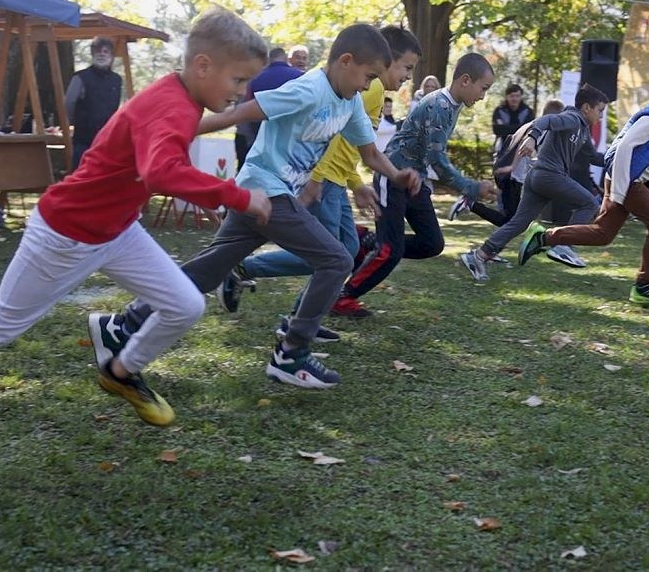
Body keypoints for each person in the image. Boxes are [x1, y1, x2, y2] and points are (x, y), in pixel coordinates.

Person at [0, 8, 273, 468]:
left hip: (116, 230)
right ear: (203, 66)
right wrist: (239, 197)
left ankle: (121, 371)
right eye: (238, 80)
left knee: (186, 305)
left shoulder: (177, 97)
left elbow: (171, 138)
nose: (241, 91)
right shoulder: (171, 104)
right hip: (65, 234)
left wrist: (246, 113)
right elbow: (162, 171)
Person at [91, 24, 422, 390]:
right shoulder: (307, 90)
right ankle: (291, 352)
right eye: (367, 76)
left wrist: (396, 175)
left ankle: (123, 324)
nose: (367, 85)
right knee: (337, 258)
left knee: (210, 269)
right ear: (346, 62)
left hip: (262, 196)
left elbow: (370, 152)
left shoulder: (350, 102)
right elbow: (243, 112)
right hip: (266, 189)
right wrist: (176, 131)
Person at [216, 26, 422, 337]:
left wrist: (380, 177)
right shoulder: (328, 88)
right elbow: (249, 112)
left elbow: (361, 147)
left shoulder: (354, 93)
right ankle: (295, 335)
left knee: (341, 252)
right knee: (334, 256)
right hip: (285, 184)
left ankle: (298, 316)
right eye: (406, 67)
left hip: (310, 185)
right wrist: (185, 129)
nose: (407, 77)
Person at [517, 68, 649, 306]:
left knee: (603, 234)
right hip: (628, 181)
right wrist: (620, 191)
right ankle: (645, 285)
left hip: (623, 179)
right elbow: (622, 150)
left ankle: (543, 237)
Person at [331, 53, 497, 318]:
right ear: (465, 80)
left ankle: (370, 242)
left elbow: (432, 156)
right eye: (483, 88)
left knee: (432, 243)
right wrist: (471, 187)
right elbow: (438, 160)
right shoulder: (439, 106)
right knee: (390, 252)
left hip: (413, 182)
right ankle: (342, 297)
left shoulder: (451, 105)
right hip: (392, 175)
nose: (483, 96)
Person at [459, 86, 610, 281]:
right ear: (587, 108)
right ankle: (563, 246)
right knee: (590, 203)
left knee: (519, 223)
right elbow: (545, 120)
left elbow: (593, 157)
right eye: (600, 111)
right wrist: (531, 138)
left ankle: (479, 256)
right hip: (549, 175)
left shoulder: (582, 130)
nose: (601, 116)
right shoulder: (572, 118)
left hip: (537, 177)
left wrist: (617, 159)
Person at [452, 98, 564, 227]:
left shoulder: (536, 125)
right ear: (554, 117)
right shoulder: (539, 129)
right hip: (512, 176)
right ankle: (469, 203)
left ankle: (473, 198)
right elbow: (522, 146)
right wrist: (512, 166)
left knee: (514, 215)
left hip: (513, 176)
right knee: (508, 220)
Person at [236, 47, 303, 167]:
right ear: (286, 59)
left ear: (269, 60)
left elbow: (244, 110)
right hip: (291, 145)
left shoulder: (255, 78)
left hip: (258, 142)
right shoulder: (301, 78)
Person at [65, 37, 124, 169]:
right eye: (98, 51)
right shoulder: (80, 77)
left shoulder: (117, 80)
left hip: (107, 141)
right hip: (83, 141)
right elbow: (69, 103)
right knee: (80, 177)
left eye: (105, 51)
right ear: (92, 54)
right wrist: (75, 121)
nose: (101, 54)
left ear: (111, 56)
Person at [491, 83, 533, 155]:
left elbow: (529, 130)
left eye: (517, 96)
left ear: (521, 97)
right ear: (507, 97)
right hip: (502, 148)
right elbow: (497, 130)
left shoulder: (528, 111)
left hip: (522, 148)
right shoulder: (499, 110)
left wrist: (506, 128)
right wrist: (521, 128)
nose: (514, 99)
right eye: (512, 96)